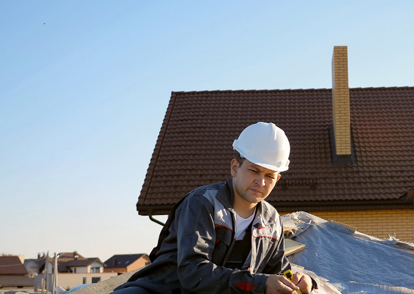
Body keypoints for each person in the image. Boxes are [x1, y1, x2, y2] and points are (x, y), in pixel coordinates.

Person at [112, 122, 315, 294]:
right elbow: (193, 273)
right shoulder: (203, 204)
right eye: (254, 170)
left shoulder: (272, 221)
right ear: (235, 167)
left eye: (270, 175)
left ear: (277, 178)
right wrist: (260, 284)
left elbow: (278, 270)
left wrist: (299, 281)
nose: (261, 182)